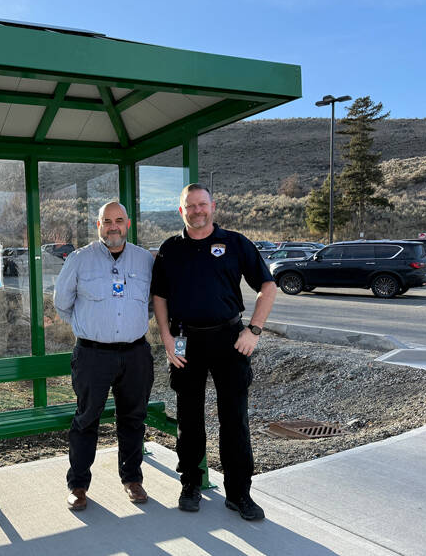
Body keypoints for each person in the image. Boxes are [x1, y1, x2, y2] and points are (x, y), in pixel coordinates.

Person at [151, 183, 276, 520]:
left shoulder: (234, 243)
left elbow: (268, 286)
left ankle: (239, 493)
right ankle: (191, 483)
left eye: (202, 204)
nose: (197, 211)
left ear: (212, 206)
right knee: (189, 417)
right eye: (190, 206)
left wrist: (254, 331)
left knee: (234, 418)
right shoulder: (170, 249)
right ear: (181, 211)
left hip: (229, 338)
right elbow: (160, 297)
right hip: (184, 339)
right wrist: (166, 339)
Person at [54, 201, 155, 511]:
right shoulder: (79, 260)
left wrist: (125, 326)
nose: (113, 226)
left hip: (135, 353)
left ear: (127, 224)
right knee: (86, 420)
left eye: (119, 220)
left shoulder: (144, 260)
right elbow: (62, 303)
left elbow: (152, 303)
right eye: (107, 221)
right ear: (98, 226)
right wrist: (91, 327)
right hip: (92, 356)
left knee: (134, 418)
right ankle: (78, 485)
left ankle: (132, 479)